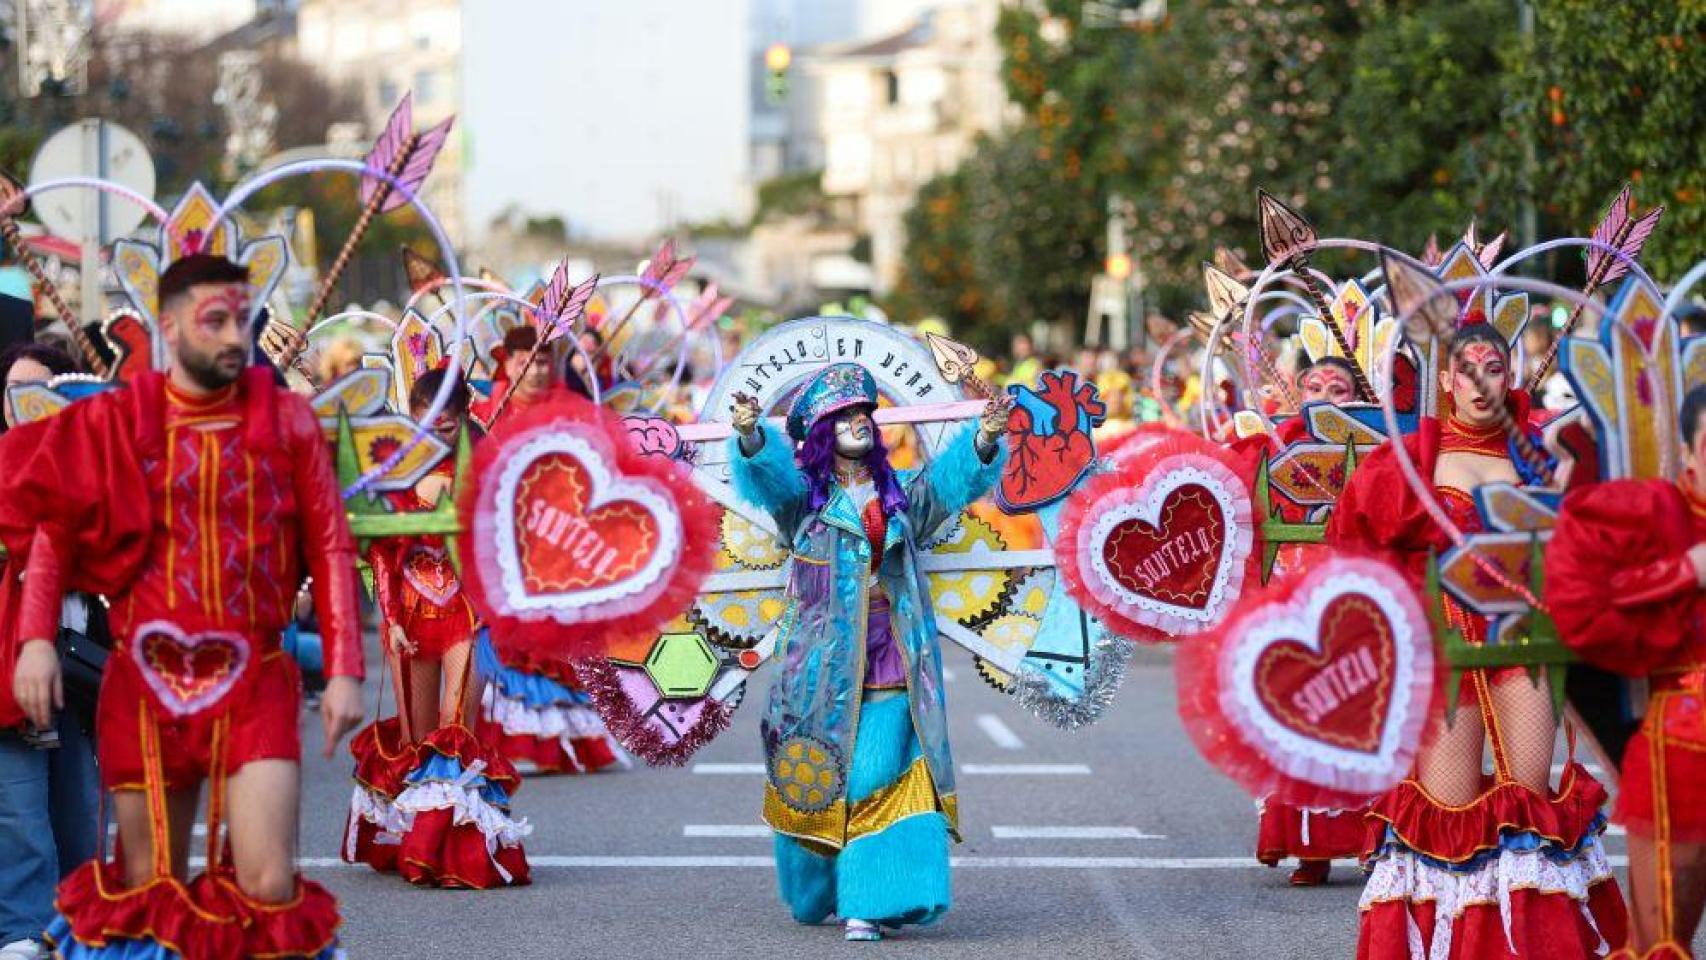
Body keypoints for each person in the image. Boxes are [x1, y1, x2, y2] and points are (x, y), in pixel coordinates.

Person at [2, 254, 366, 959]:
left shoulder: (287, 419)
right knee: (148, 889)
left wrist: (346, 666)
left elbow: (330, 543)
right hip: (143, 687)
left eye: (242, 319)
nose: (235, 336)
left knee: (265, 883)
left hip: (254, 679)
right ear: (169, 327)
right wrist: (36, 640)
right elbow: (54, 523)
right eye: (216, 321)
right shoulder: (116, 420)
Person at [1328, 321, 1627, 957]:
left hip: (1524, 643)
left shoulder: (1544, 454)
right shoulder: (1407, 462)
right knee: (1450, 811)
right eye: (1467, 370)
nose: (1481, 383)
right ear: (1444, 381)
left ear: (1511, 375)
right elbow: (1353, 549)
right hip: (1443, 652)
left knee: (1529, 802)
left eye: (1494, 369)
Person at [727, 362, 1009, 942]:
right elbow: (768, 480)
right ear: (825, 433)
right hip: (818, 668)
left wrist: (984, 438)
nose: (858, 422)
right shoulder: (803, 502)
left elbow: (949, 487)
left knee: (880, 773)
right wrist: (752, 437)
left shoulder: (898, 494)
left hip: (893, 654)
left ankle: (873, 900)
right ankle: (820, 889)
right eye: (844, 417)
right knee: (817, 778)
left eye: (863, 415)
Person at [345, 366, 530, 887]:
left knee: (454, 735)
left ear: (464, 411)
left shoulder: (487, 467)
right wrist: (391, 618)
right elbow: (380, 551)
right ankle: (414, 842)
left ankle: (449, 855)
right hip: (409, 615)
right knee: (416, 739)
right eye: (427, 414)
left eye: (448, 416)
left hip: (466, 614)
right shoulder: (393, 470)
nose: (438, 424)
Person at [1547, 382, 1706, 957]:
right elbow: (1584, 608)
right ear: (1687, 453)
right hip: (1680, 758)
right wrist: (1682, 570)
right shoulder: (1650, 515)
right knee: (1661, 940)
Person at [0, 342, 100, 960]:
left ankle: (82, 922)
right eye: (14, 391)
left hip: (83, 669)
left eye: (39, 390)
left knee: (81, 813)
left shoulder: (97, 471)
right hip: (7, 670)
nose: (25, 404)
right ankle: (21, 929)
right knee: (19, 813)